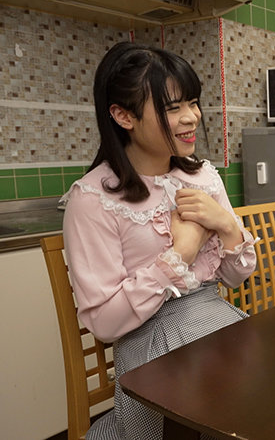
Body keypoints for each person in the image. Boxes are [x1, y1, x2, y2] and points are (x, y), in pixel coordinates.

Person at [61, 41, 257, 439]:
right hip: (152, 350)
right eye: (172, 108)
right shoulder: (93, 200)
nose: (191, 117)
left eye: (193, 102)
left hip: (218, 327)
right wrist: (180, 253)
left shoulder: (202, 176)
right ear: (123, 116)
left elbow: (237, 277)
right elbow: (104, 323)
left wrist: (226, 225)